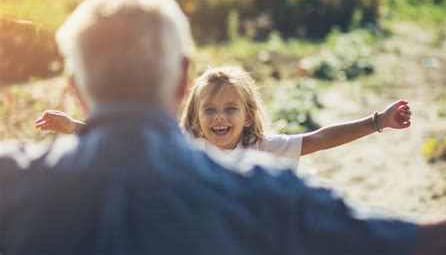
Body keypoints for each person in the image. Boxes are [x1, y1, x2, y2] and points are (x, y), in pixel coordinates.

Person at [1, 0, 446, 254]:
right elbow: (418, 242)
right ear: (185, 81)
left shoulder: (11, 182)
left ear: (77, 91)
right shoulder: (269, 193)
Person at [36, 66, 412, 167]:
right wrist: (73, 127)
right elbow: (128, 144)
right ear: (196, 118)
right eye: (210, 110)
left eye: (230, 109)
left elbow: (317, 139)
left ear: (247, 116)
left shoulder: (264, 147)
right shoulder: (183, 145)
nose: (219, 118)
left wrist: (377, 121)